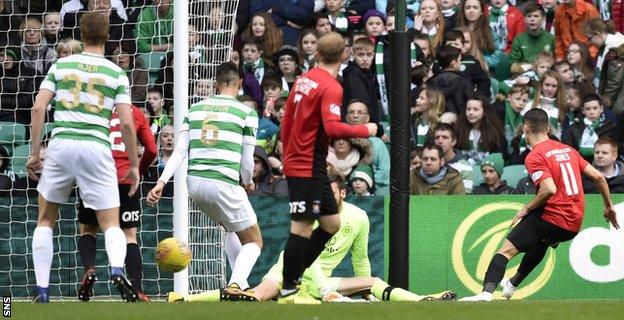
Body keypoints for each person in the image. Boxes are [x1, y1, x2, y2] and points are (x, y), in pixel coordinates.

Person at [167, 173, 456, 303]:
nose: (327, 197)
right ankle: (183, 298)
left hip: (322, 282)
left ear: (343, 193)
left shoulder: (358, 217)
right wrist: (324, 291)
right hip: (287, 272)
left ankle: (420, 301)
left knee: (372, 282)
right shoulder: (312, 214)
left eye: (332, 193)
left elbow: (361, 259)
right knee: (251, 297)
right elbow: (308, 259)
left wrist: (364, 293)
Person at [26, 12, 140, 303]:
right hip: (96, 146)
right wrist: (134, 164)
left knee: (45, 220)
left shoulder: (61, 64)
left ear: (80, 33)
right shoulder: (115, 73)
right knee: (111, 222)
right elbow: (127, 123)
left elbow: (38, 109)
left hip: (62, 143)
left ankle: (42, 291)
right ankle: (116, 268)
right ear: (107, 35)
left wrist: (34, 152)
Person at [459, 108, 619, 302]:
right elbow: (599, 177)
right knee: (541, 240)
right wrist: (608, 207)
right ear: (548, 128)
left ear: (525, 129)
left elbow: (549, 189)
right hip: (572, 225)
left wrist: (527, 207)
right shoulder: (568, 150)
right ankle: (512, 284)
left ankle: (486, 294)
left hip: (552, 217)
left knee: (505, 251)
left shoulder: (534, 156)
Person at [147, 62, 264, 295]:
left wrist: (161, 182)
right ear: (240, 83)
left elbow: (180, 151)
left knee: (230, 228)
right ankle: (236, 284)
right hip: (223, 181)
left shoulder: (194, 109)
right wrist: (248, 181)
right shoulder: (246, 112)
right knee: (254, 241)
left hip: (195, 184)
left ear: (215, 84)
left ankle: (241, 284)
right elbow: (247, 160)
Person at [279, 32, 377, 304]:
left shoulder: (302, 80)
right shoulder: (331, 87)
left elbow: (287, 121)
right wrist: (364, 129)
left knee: (331, 223)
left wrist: (288, 151)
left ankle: (295, 274)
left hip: (312, 164)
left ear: (317, 54)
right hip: (305, 165)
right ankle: (289, 284)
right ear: (344, 55)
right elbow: (334, 128)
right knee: (301, 227)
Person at [76, 104, 157, 302]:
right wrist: (138, 169)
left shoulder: (92, 107)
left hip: (95, 176)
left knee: (88, 229)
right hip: (126, 178)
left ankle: (89, 269)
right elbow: (153, 150)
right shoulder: (135, 112)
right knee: (129, 235)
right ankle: (137, 288)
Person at [345, 100, 390, 195]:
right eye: (351, 112)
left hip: (373, 194)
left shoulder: (377, 143)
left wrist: (364, 181)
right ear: (346, 118)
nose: (355, 116)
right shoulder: (341, 142)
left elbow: (385, 172)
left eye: (360, 112)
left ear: (367, 118)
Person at [562, 93, 622, 161]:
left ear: (601, 109)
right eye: (588, 109)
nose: (592, 112)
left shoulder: (610, 128)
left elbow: (616, 150)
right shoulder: (574, 128)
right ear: (583, 110)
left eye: (595, 108)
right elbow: (568, 150)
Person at [427, 45, 473, 115]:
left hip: (437, 122)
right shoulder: (464, 82)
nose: (460, 63)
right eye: (460, 60)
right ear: (453, 63)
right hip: (459, 123)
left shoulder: (432, 82)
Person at [433, 123, 474, 193]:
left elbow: (464, 197)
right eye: (437, 138)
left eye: (445, 137)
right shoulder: (429, 163)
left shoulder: (464, 166)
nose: (440, 141)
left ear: (454, 142)